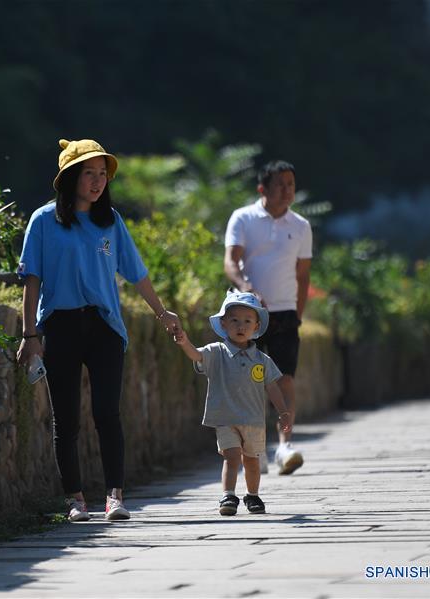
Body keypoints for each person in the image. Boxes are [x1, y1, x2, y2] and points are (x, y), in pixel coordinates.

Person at [16, 138, 182, 522]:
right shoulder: (43, 221)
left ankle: (115, 497)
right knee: (67, 419)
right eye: (89, 173)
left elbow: (136, 273)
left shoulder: (111, 222)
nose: (97, 181)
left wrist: (162, 313)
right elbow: (31, 280)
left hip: (105, 326)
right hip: (60, 326)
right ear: (69, 177)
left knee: (108, 413)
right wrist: (30, 336)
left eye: (102, 174)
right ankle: (75, 499)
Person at [223, 160, 312, 475]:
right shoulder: (243, 218)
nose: (287, 191)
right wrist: (246, 287)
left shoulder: (301, 226)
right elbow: (231, 262)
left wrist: (297, 315)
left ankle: (285, 445)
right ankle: (253, 449)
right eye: (280, 185)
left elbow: (303, 276)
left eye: (291, 184)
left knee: (284, 379)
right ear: (263, 189)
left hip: (286, 312)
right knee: (248, 382)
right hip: (248, 314)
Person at [173, 291, 292, 515]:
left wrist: (283, 411)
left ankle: (253, 495)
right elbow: (196, 356)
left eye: (247, 321)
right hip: (225, 417)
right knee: (231, 456)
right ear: (223, 324)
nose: (241, 325)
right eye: (234, 320)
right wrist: (184, 342)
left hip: (253, 420)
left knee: (252, 460)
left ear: (256, 327)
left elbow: (272, 387)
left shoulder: (262, 360)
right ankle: (228, 495)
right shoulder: (216, 352)